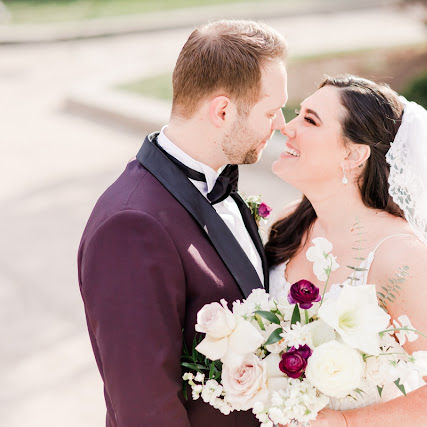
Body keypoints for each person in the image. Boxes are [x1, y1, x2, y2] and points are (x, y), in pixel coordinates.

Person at [266, 75, 427, 426]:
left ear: (354, 154)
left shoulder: (398, 255)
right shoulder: (288, 223)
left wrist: (343, 424)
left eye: (310, 120)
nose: (287, 127)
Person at [77, 20, 288, 426]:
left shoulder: (216, 185)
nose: (279, 123)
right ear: (223, 111)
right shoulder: (131, 226)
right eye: (270, 111)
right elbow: (145, 407)